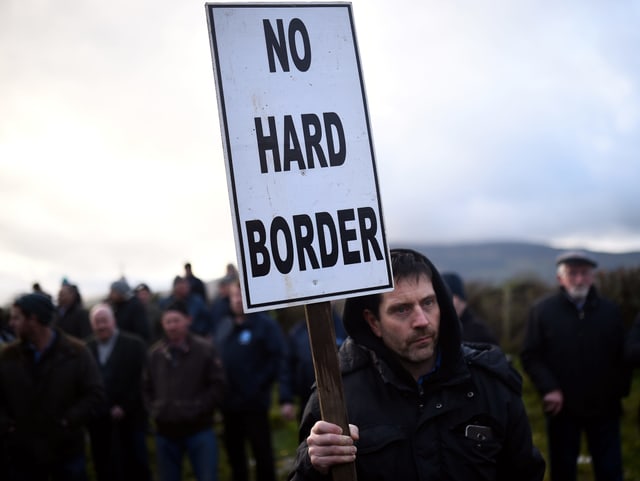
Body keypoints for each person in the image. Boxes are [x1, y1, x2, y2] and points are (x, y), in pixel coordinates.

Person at [288, 248, 545, 481]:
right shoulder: (337, 395)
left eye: (428, 303)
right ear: (373, 322)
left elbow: (525, 472)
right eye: (402, 309)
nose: (422, 320)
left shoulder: (490, 382)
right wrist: (314, 466)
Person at [521, 250, 629, 481]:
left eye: (584, 273)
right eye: (572, 274)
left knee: (610, 469)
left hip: (605, 407)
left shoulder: (610, 312)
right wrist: (549, 388)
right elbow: (530, 355)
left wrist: (619, 390)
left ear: (593, 277)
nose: (579, 279)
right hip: (563, 408)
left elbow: (622, 354)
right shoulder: (542, 311)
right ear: (560, 278)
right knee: (562, 469)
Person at [0, 293, 105, 481]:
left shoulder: (76, 352)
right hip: (22, 456)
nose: (11, 323)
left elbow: (94, 394)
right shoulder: (8, 356)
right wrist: (8, 426)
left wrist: (68, 421)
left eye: (17, 317)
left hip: (66, 452)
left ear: (33, 319)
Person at [143, 300, 226, 481]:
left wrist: (198, 408)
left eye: (176, 320)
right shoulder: (155, 354)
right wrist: (157, 410)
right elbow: (146, 388)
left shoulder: (204, 349)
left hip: (199, 430)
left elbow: (218, 386)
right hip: (166, 433)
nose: (172, 326)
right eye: (168, 322)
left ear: (187, 320)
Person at [214, 280, 285, 481]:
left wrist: (259, 384)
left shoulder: (265, 325)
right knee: (236, 456)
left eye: (241, 296)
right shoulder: (224, 325)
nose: (237, 301)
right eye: (234, 296)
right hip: (229, 405)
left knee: (262, 453)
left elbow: (278, 358)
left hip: (255, 404)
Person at [86, 303, 151, 481]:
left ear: (113, 321)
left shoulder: (134, 344)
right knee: (106, 468)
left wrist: (125, 406)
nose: (101, 326)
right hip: (100, 423)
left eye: (104, 321)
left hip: (132, 420)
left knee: (136, 466)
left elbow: (143, 380)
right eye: (97, 322)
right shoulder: (87, 349)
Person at [279, 306, 347, 423]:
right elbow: (286, 367)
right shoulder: (297, 333)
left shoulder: (345, 328)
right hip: (307, 402)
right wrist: (286, 400)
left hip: (343, 400)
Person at [441, 272, 499, 344]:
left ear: (459, 297)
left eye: (447, 297)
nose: (443, 303)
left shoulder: (480, 333)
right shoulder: (451, 329)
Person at [108, 277, 150, 343]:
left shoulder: (135, 306)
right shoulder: (118, 306)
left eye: (113, 292)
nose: (110, 295)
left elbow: (142, 332)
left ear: (120, 292)